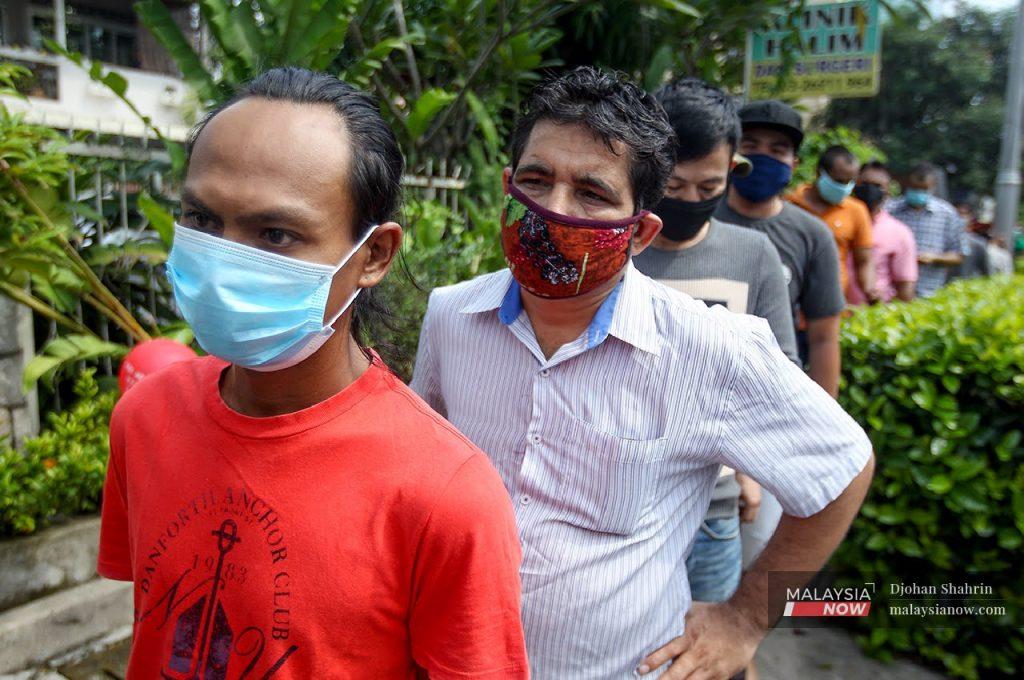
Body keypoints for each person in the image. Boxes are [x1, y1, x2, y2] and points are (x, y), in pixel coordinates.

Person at [412, 67, 874, 679]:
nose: (553, 208)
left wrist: (745, 620)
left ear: (640, 233)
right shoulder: (451, 315)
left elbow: (841, 469)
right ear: (507, 186)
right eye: (535, 179)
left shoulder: (710, 349)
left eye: (592, 193)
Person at [97, 68, 528, 678]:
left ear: (373, 256)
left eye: (276, 234)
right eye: (201, 220)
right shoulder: (144, 418)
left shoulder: (446, 495)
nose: (226, 260)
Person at [633, 75, 796, 605]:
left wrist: (752, 471)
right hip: (623, 506)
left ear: (731, 171)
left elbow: (780, 378)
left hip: (715, 508)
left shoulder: (753, 256)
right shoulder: (614, 249)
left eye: (709, 189)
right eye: (674, 188)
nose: (690, 201)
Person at [715, 100, 845, 398]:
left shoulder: (813, 236)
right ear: (730, 154)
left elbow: (824, 338)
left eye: (778, 149)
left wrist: (822, 421)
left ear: (794, 164)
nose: (763, 156)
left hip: (770, 396)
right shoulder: (697, 221)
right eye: (751, 144)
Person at [788, 145, 877, 302]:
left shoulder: (856, 210)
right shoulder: (790, 203)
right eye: (838, 181)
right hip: (789, 293)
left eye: (849, 182)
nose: (843, 187)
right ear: (819, 172)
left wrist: (869, 289)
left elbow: (864, 260)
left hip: (830, 299)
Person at [888, 162, 966, 297]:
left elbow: (958, 255)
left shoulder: (947, 214)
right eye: (914, 188)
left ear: (932, 187)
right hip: (893, 292)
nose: (918, 193)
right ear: (906, 184)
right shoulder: (890, 210)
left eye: (923, 189)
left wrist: (935, 258)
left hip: (929, 293)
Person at [847, 161, 918, 303]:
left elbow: (905, 288)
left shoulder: (899, 233)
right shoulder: (838, 222)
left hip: (871, 317)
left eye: (877, 186)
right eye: (864, 183)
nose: (869, 189)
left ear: (887, 192)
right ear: (854, 186)